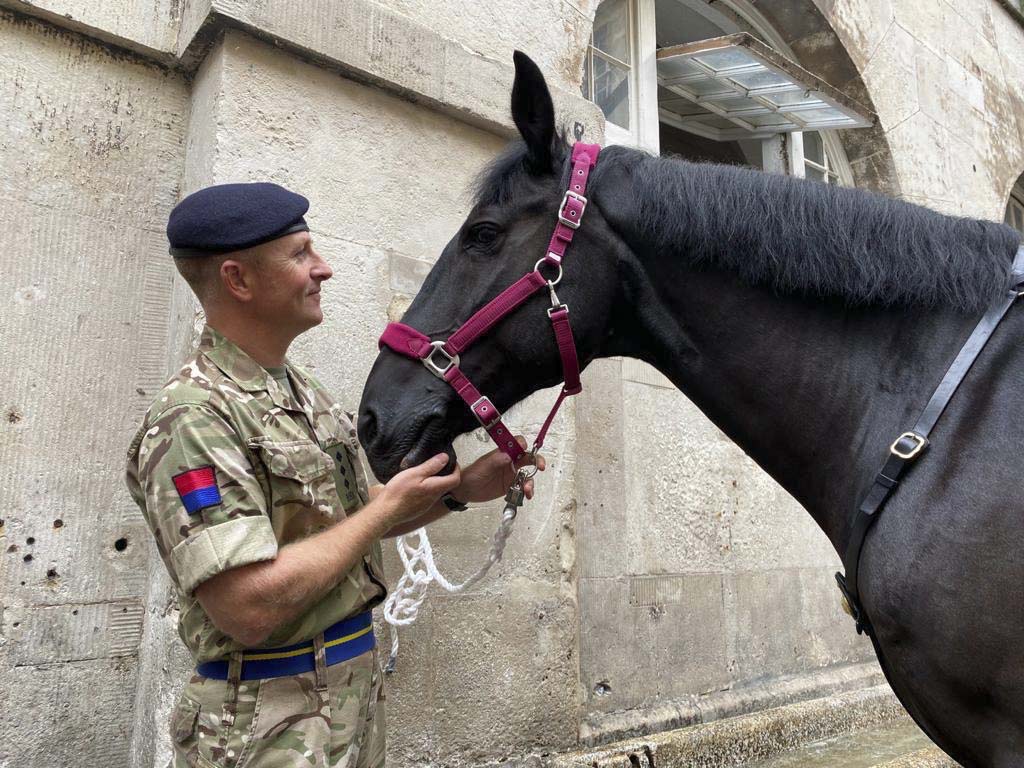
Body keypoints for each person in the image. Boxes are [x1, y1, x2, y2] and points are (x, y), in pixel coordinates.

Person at [126, 182, 543, 767]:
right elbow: (246, 605)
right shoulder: (194, 418)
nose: (323, 269)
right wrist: (381, 511)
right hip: (265, 720)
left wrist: (460, 491)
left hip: (348, 697)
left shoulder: (302, 393)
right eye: (300, 254)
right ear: (237, 280)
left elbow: (340, 524)